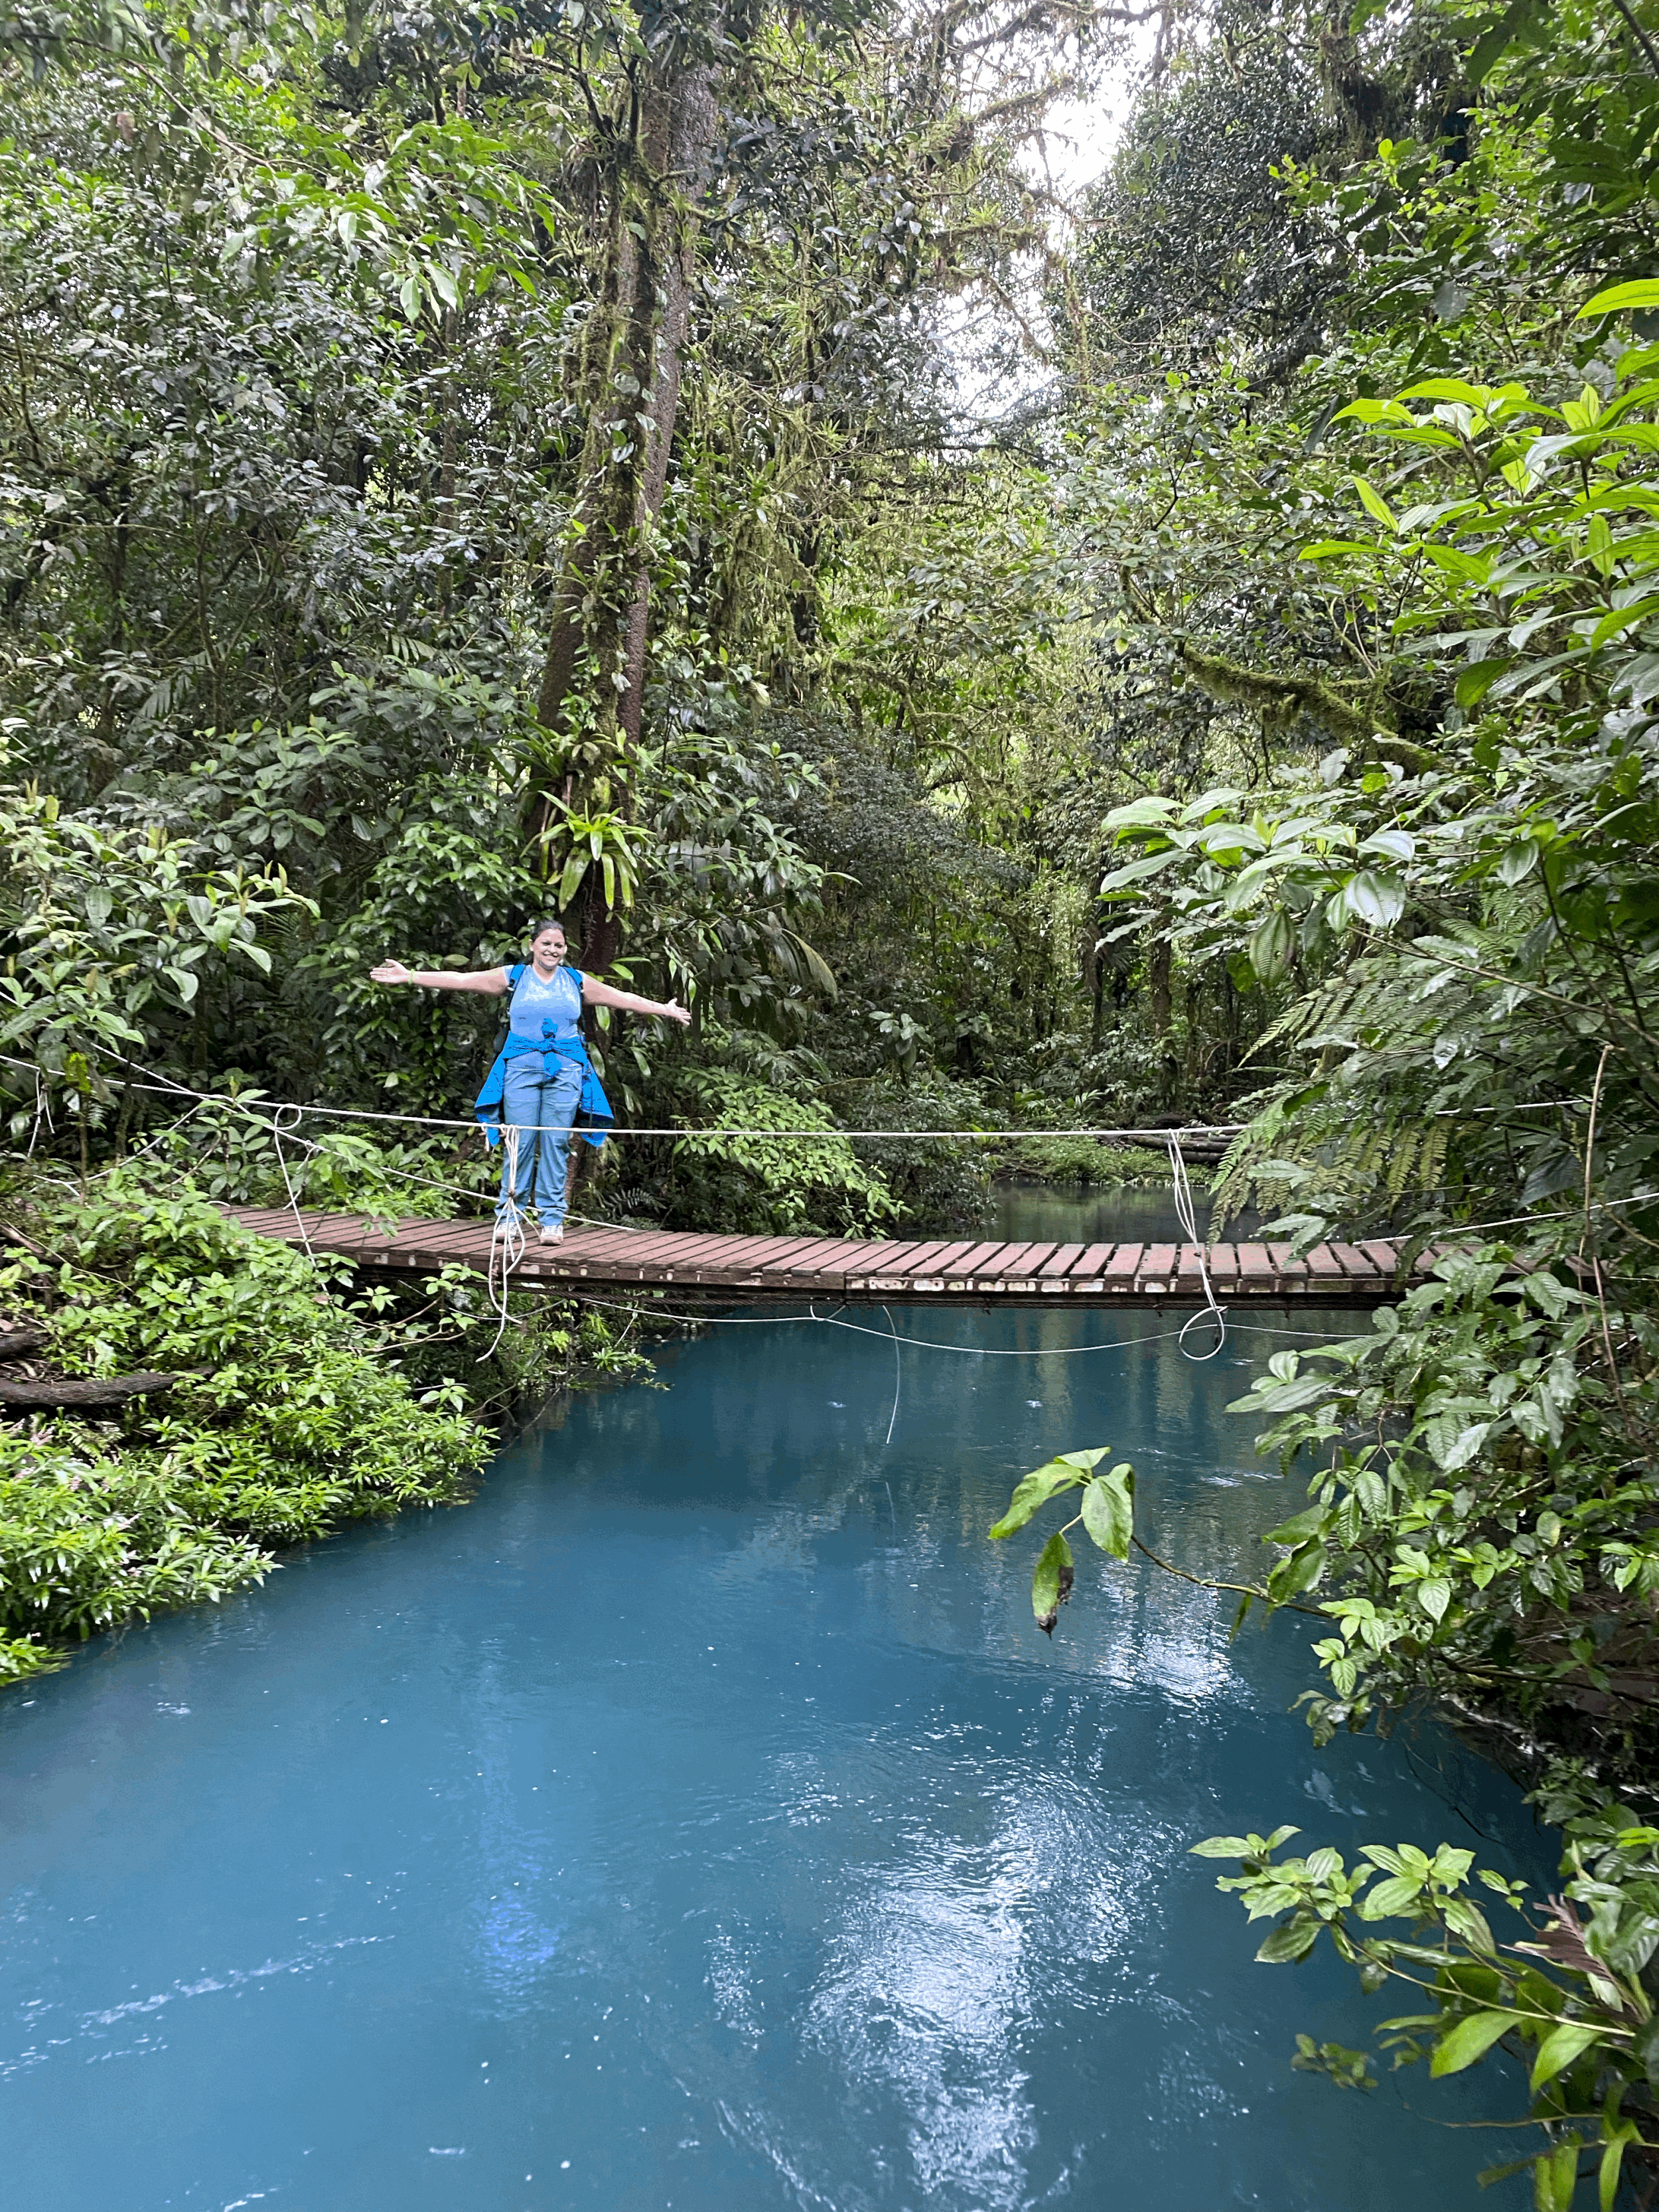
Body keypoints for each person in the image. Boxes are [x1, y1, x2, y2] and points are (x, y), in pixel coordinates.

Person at [370, 919, 689, 1244]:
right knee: (518, 1142)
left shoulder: (576, 981)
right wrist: (409, 976)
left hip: (565, 1070)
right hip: (521, 1068)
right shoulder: (514, 976)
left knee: (555, 1143)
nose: (552, 950)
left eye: (559, 945)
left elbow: (621, 997)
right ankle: (509, 1217)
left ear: (565, 950)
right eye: (546, 943)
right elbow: (462, 979)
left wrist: (663, 1009)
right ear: (533, 946)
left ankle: (552, 1221)